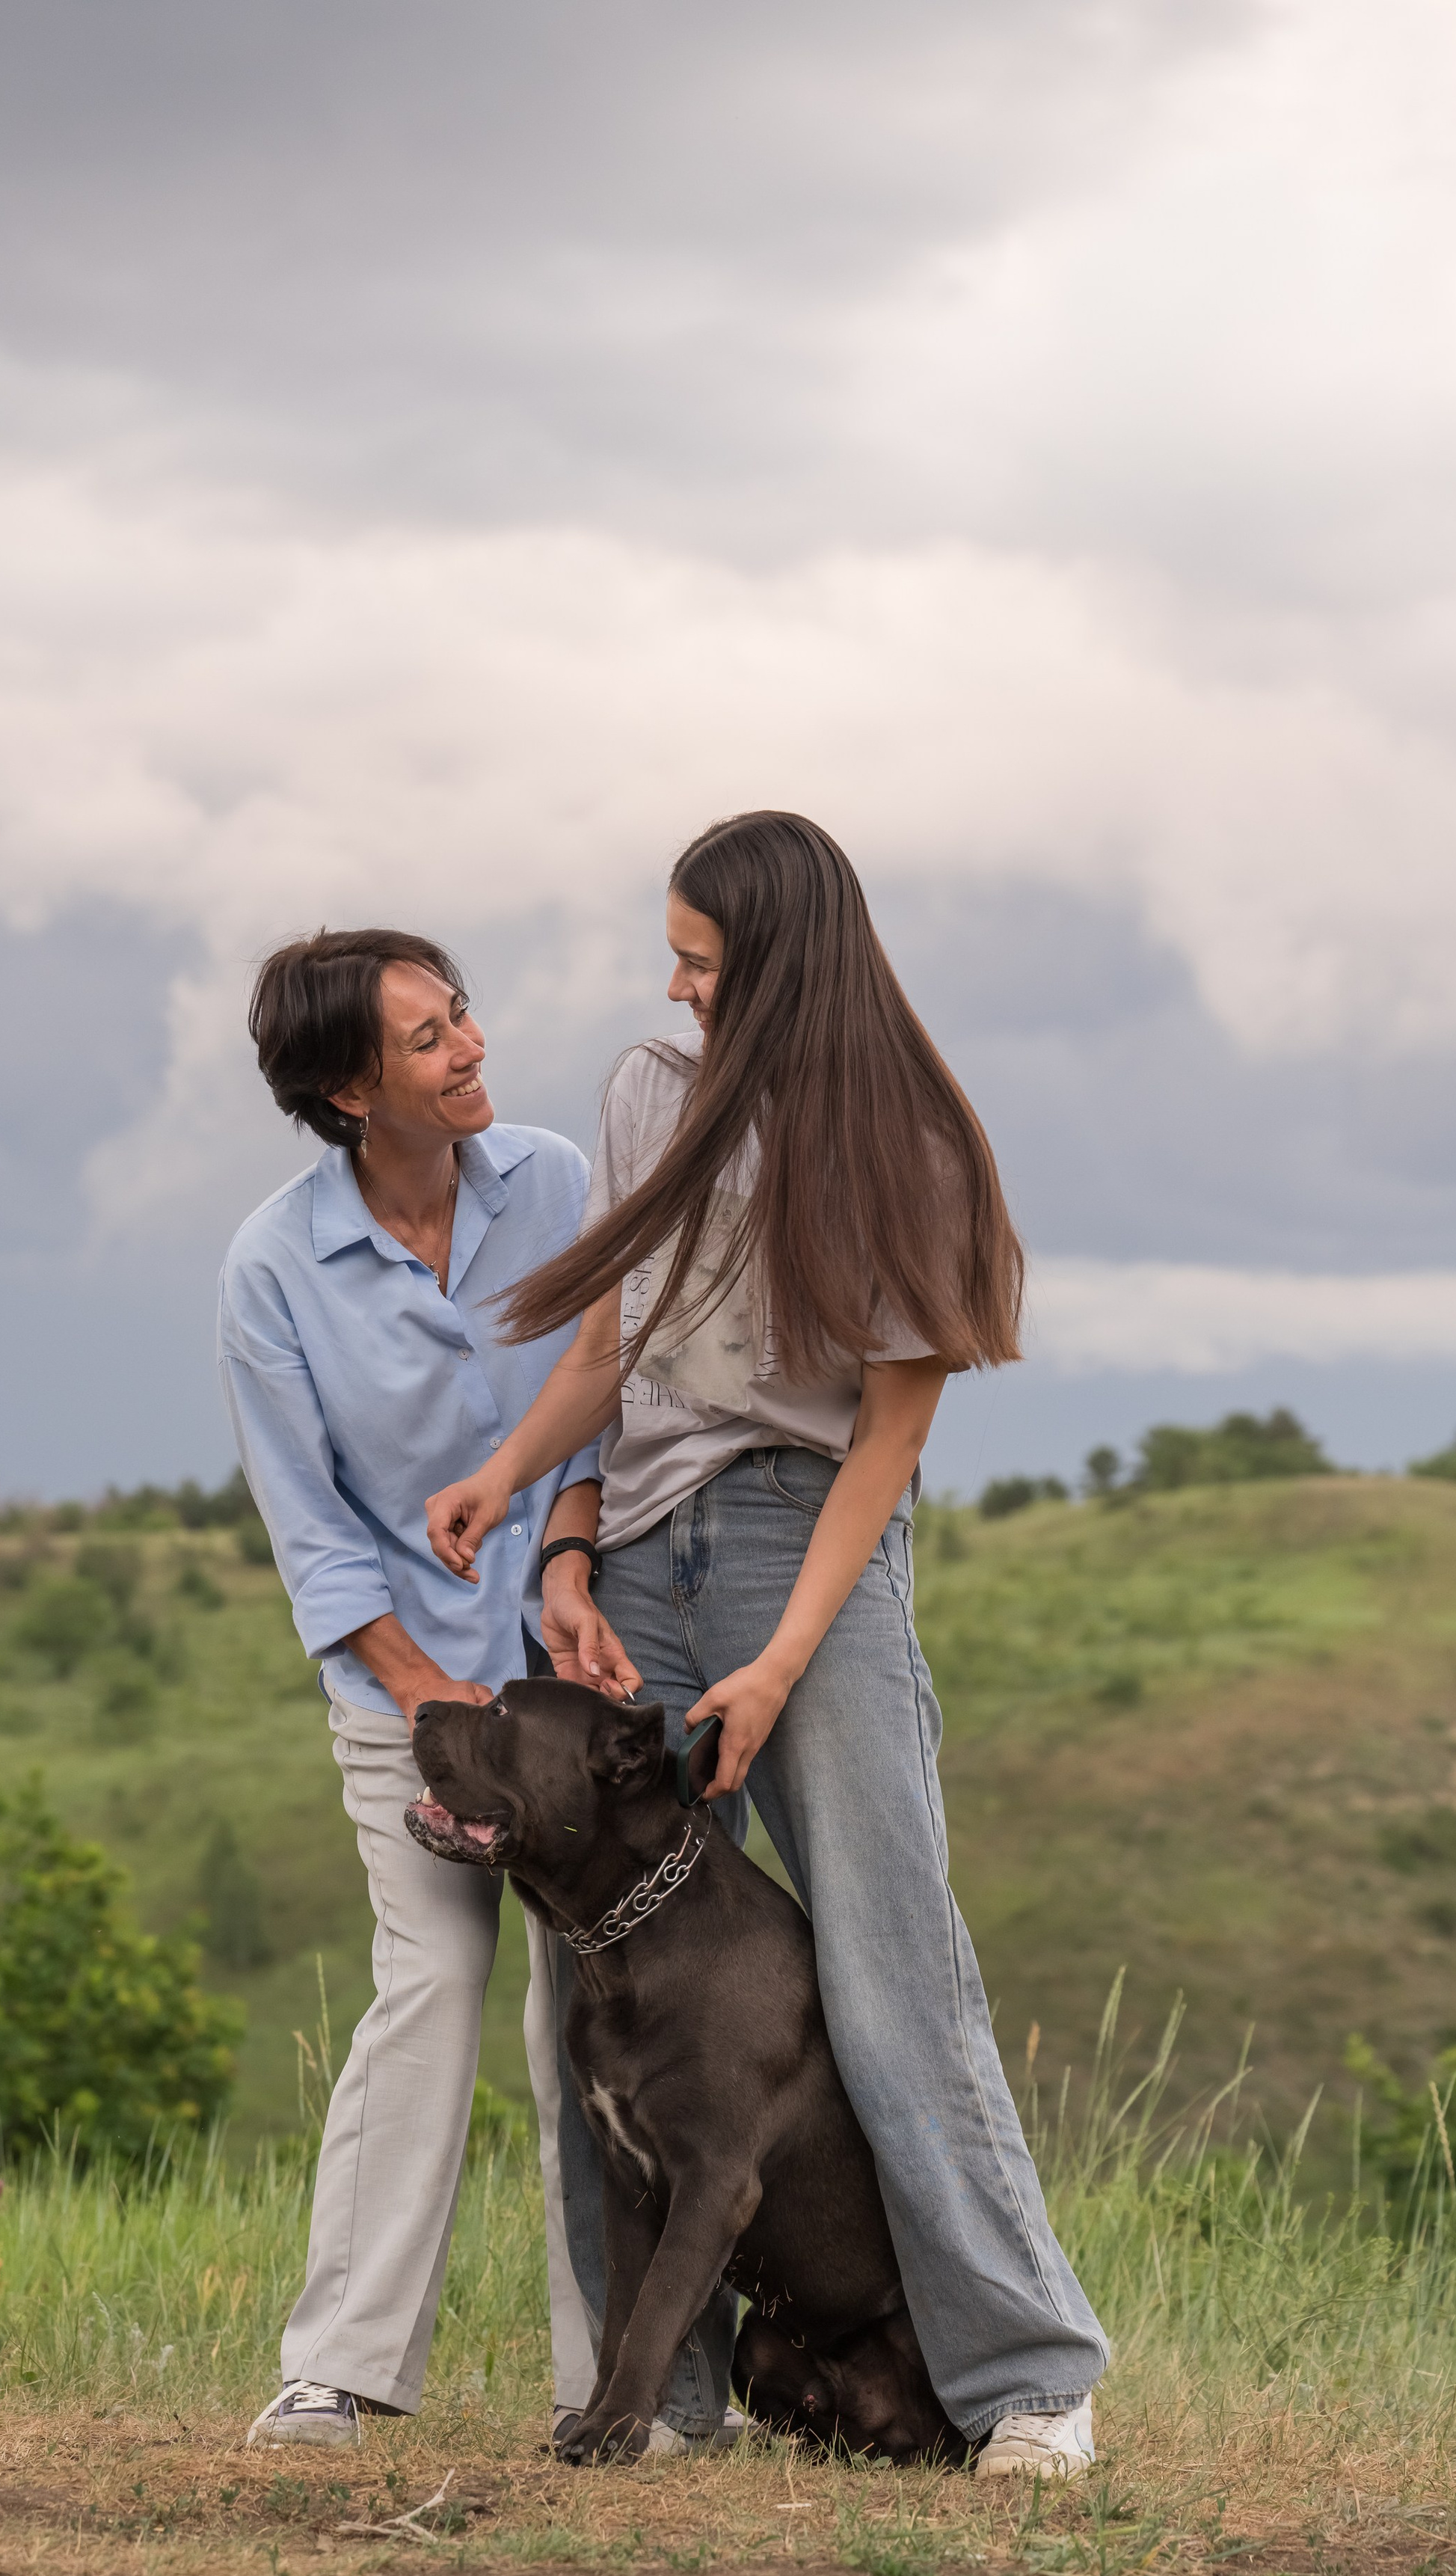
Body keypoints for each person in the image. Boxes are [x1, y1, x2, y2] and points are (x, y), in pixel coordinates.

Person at [426, 812, 1109, 2477]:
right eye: (674, 955)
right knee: (607, 1973)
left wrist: (784, 1659)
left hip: (803, 1558)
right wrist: (534, 1506)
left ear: (786, 968)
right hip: (641, 1559)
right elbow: (611, 1343)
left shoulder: (913, 1151)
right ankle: (650, 2404)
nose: (673, 988)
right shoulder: (649, 1086)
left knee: (885, 1969)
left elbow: (884, 1441)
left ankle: (1025, 2375)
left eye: (703, 963)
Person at [218, 926, 606, 2447]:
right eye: (429, 1038)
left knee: (590, 2009)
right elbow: (313, 1536)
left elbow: (602, 1404)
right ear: (341, 1087)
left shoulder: (558, 1183)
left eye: (464, 1017)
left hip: (570, 1680)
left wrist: (566, 1558)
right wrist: (429, 1697)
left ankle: (621, 2388)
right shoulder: (271, 1270)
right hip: (406, 1701)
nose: (471, 1051)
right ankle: (342, 2369)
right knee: (433, 1986)